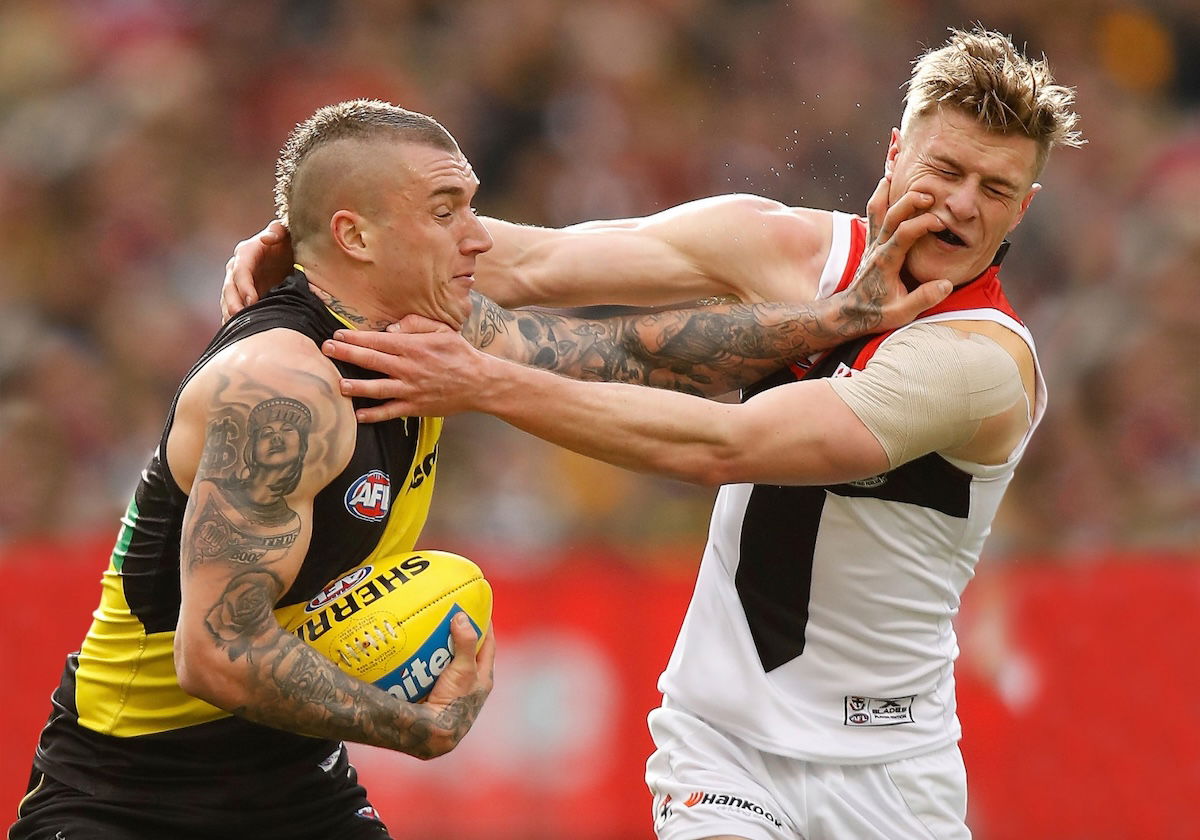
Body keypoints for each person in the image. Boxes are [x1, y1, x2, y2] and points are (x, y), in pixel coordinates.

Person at [222, 27, 1082, 840]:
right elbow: (534, 262)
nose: (962, 206)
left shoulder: (982, 365)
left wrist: (487, 384)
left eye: (996, 190)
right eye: (948, 170)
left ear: (1025, 208)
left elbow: (724, 446)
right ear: (897, 152)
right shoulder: (777, 245)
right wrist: (321, 247)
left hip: (891, 771)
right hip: (724, 746)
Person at [10, 101, 504, 840]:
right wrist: (412, 726)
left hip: (299, 784)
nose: (483, 237)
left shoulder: (431, 340)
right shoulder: (282, 387)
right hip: (130, 795)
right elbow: (215, 652)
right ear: (355, 236)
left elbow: (646, 352)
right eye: (445, 212)